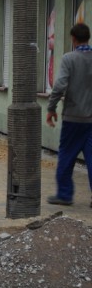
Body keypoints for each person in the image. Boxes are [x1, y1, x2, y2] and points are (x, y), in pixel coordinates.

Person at [46, 23, 92, 207]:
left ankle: (64, 195)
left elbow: (59, 86)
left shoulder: (69, 59)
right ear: (88, 38)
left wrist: (51, 108)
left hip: (73, 118)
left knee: (66, 155)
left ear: (73, 39)